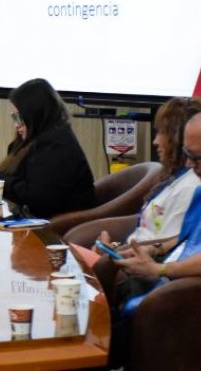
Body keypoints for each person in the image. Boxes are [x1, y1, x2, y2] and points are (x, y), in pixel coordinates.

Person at [104, 112, 201, 367]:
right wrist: (154, 251)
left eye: (196, 157)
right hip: (168, 279)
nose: (189, 165)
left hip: (181, 294)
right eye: (187, 154)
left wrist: (159, 268)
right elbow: (186, 237)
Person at [0, 78, 96, 218]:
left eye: (19, 118)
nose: (16, 125)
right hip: (34, 219)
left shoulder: (56, 144)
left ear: (34, 115)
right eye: (13, 118)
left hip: (62, 226)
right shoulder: (37, 139)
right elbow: (19, 184)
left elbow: (36, 198)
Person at [94, 97, 201, 250]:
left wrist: (114, 255)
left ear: (177, 139)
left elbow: (167, 250)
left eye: (161, 133)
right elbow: (146, 234)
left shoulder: (190, 187)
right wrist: (114, 248)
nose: (155, 141)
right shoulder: (175, 180)